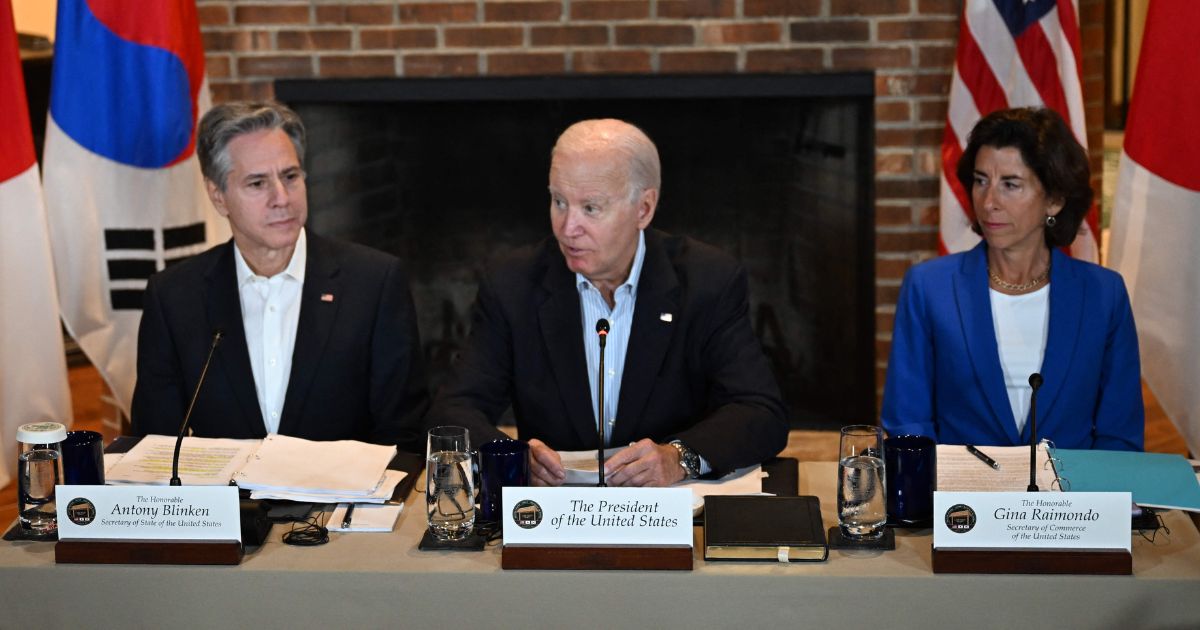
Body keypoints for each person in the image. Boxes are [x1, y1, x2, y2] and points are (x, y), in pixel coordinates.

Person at [425, 118, 788, 487]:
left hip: (669, 508)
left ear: (643, 209)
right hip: (558, 511)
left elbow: (761, 413)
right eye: (559, 201)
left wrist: (679, 457)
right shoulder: (513, 283)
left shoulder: (708, 281)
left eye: (591, 208)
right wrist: (513, 459)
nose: (568, 228)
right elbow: (453, 411)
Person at [131, 101, 429, 452]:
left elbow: (404, 435)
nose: (282, 198)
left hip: (344, 502)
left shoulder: (375, 283)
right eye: (257, 183)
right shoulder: (174, 297)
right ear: (218, 196)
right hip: (227, 505)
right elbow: (154, 445)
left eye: (290, 177)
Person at [882, 107, 1143, 451]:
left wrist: (1089, 504)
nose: (989, 202)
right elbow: (907, 425)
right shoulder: (929, 288)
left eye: (1010, 184)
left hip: (1072, 501)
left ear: (1054, 199)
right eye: (980, 181)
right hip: (961, 501)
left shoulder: (1103, 295)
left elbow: (1119, 434)